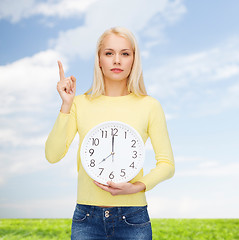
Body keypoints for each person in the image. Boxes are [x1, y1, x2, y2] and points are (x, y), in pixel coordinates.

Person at [45, 26, 175, 240]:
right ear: (99, 60)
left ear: (134, 59)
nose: (117, 60)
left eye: (125, 53)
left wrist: (136, 188)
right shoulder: (79, 104)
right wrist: (66, 105)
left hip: (133, 218)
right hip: (86, 218)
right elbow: (52, 155)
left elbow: (167, 164)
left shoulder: (150, 106)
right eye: (109, 53)